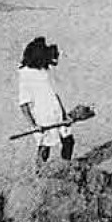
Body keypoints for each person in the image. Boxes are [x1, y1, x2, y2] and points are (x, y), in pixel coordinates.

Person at [17, 36, 72, 168]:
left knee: (68, 141)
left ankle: (66, 166)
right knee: (45, 146)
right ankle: (39, 172)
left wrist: (64, 113)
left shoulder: (45, 70)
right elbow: (23, 104)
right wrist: (33, 125)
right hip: (43, 117)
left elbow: (54, 94)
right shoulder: (26, 75)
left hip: (56, 112)